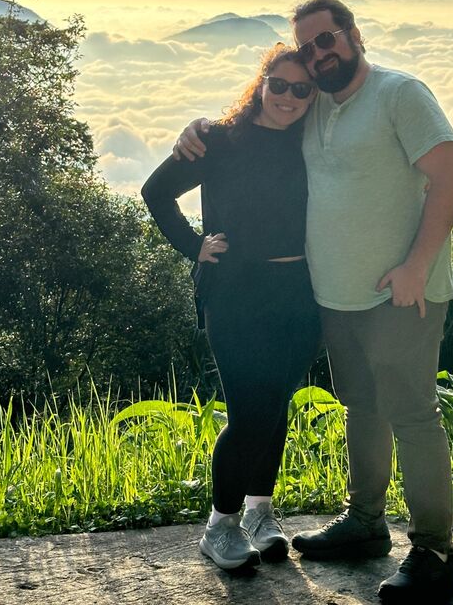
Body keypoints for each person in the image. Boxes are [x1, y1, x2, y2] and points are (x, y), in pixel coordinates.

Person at [176, 0, 453, 603]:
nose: (318, 55)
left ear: (352, 34)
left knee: (413, 415)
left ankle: (434, 551)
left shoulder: (399, 93)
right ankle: (365, 523)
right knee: (361, 408)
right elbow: (260, 124)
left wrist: (417, 266)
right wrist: (199, 129)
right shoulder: (316, 106)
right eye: (309, 48)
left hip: (401, 293)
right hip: (332, 297)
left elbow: (451, 176)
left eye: (326, 40)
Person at [142, 45, 321, 572]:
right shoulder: (219, 140)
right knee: (250, 410)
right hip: (236, 290)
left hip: (300, 290)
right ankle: (220, 526)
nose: (289, 97)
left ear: (312, 96)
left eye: (301, 88)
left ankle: (260, 514)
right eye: (280, 84)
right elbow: (156, 191)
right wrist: (192, 244)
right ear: (261, 83)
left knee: (277, 403)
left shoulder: (312, 141)